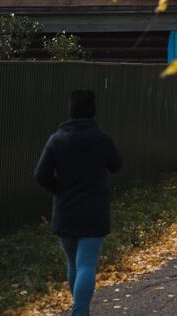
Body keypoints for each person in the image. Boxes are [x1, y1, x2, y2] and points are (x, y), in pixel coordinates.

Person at [34, 90, 123, 316]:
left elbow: (40, 175)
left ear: (71, 111)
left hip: (66, 210)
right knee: (86, 265)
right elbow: (116, 165)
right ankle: (80, 312)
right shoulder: (102, 139)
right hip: (93, 211)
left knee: (73, 263)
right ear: (93, 112)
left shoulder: (56, 139)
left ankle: (80, 309)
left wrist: (60, 188)